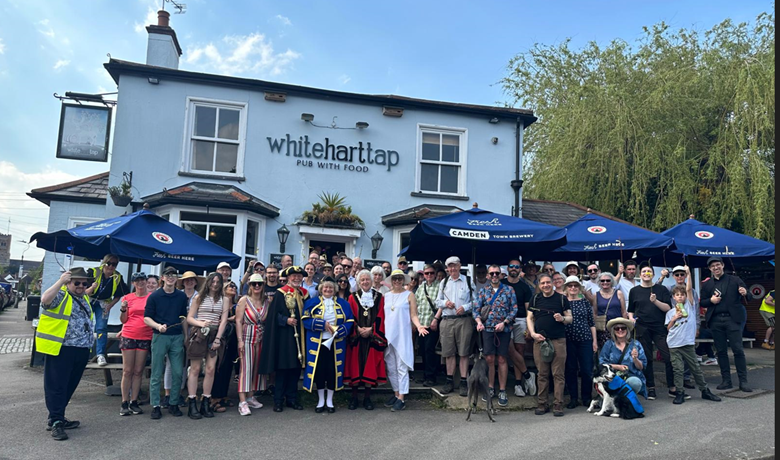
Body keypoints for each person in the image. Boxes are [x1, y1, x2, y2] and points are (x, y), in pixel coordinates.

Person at [37, 268, 95, 440]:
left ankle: (58, 417)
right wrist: (60, 281)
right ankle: (55, 421)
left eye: (84, 283)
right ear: (69, 282)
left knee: (70, 385)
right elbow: (45, 299)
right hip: (62, 348)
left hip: (81, 349)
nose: (81, 286)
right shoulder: (61, 295)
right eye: (76, 282)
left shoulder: (84, 297)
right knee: (57, 385)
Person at [665, 266, 722, 404]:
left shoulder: (690, 305)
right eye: (677, 295)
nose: (680, 297)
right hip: (674, 344)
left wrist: (689, 273)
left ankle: (705, 391)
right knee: (677, 370)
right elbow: (668, 328)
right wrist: (674, 319)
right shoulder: (670, 312)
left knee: (695, 368)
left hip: (687, 343)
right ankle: (679, 392)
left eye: (682, 295)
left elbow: (689, 289)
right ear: (673, 297)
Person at [258, 266, 310, 412]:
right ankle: (278, 400)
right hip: (284, 337)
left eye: (299, 276)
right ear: (288, 277)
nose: (297, 278)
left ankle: (292, 399)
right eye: (294, 276)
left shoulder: (304, 293)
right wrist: (286, 320)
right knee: (283, 369)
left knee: (295, 369)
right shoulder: (281, 293)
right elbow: (273, 315)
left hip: (301, 336)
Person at [700, 256, 754, 392]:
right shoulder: (707, 285)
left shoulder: (735, 280)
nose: (715, 268)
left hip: (733, 319)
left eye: (718, 265)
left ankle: (743, 381)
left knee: (738, 349)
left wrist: (745, 292)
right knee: (721, 351)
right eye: (712, 266)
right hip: (715, 320)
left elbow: (750, 296)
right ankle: (726, 380)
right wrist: (711, 301)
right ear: (709, 269)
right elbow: (702, 302)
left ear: (722, 265)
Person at [301, 277, 355, 413]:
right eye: (325, 287)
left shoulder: (343, 303)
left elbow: (349, 321)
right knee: (319, 370)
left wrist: (339, 330)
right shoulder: (311, 302)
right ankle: (320, 400)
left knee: (332, 371)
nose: (328, 290)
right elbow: (305, 320)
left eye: (331, 287)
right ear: (321, 289)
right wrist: (322, 324)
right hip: (317, 344)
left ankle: (330, 401)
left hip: (336, 343)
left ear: (335, 289)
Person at [144, 266, 188, 420]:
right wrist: (157, 326)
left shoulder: (181, 297)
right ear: (162, 277)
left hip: (176, 336)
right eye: (168, 275)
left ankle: (173, 402)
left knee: (177, 372)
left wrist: (186, 336)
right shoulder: (154, 296)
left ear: (177, 278)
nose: (171, 277)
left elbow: (183, 317)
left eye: (174, 275)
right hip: (160, 336)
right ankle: (155, 405)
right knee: (156, 372)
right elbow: (146, 317)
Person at [185, 272, 229, 419]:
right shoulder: (199, 297)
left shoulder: (225, 299)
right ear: (208, 282)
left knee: (210, 369)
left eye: (218, 282)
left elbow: (223, 321)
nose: (215, 284)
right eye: (213, 281)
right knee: (195, 368)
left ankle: (206, 401)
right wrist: (200, 323)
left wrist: (218, 339)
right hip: (200, 333)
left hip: (214, 333)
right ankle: (192, 402)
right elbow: (190, 318)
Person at [473, 264, 518, 407]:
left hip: (503, 329)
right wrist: (479, 322)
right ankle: (491, 387)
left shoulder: (509, 290)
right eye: (491, 274)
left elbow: (514, 309)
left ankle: (503, 390)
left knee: (502, 359)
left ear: (501, 275)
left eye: (496, 273)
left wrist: (504, 322)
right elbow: (476, 310)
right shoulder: (483, 291)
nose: (494, 276)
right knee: (489, 358)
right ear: (487, 276)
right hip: (487, 329)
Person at [627, 263, 673, 400]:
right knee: (646, 358)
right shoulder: (634, 291)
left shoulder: (661, 289)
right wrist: (631, 319)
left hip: (659, 327)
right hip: (642, 327)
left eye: (649, 271)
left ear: (653, 274)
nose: (646, 273)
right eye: (644, 271)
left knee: (668, 356)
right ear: (639, 274)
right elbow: (630, 310)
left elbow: (667, 308)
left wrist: (655, 301)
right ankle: (651, 387)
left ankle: (673, 387)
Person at [527, 274, 572, 416]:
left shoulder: (561, 298)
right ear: (539, 285)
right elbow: (529, 317)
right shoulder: (535, 299)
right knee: (542, 374)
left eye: (548, 282)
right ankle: (542, 403)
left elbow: (570, 318)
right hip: (540, 340)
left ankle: (558, 404)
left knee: (558, 374)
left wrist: (562, 318)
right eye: (543, 283)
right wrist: (533, 333)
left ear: (552, 283)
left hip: (558, 340)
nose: (546, 285)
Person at [384, 270, 428, 411]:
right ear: (391, 280)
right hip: (388, 335)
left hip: (402, 334)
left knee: (401, 366)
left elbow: (413, 315)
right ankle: (396, 394)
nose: (397, 281)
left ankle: (402, 398)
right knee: (391, 367)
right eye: (395, 278)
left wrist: (419, 326)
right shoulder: (386, 296)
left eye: (400, 278)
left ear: (404, 280)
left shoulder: (409, 295)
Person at [434, 256, 477, 397]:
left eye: (455, 266)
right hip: (447, 320)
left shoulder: (468, 281)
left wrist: (465, 307)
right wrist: (445, 304)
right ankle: (449, 381)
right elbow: (437, 301)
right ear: (447, 268)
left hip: (464, 320)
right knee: (448, 352)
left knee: (464, 352)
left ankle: (464, 381)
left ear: (459, 266)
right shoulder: (444, 282)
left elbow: (476, 302)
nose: (452, 269)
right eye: (450, 266)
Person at [346, 270, 388, 409]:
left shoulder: (380, 297)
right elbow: (349, 316)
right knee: (355, 367)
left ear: (371, 281)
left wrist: (372, 330)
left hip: (372, 338)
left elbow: (381, 315)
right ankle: (354, 398)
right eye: (362, 280)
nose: (365, 282)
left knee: (370, 367)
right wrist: (357, 329)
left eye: (367, 279)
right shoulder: (352, 297)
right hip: (356, 338)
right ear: (358, 282)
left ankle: (367, 398)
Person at [163, 271, 199, 408]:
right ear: (183, 282)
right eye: (186, 280)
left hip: (195, 333)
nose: (189, 282)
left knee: (185, 365)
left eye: (192, 280)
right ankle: (167, 394)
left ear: (195, 282)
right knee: (171, 363)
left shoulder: (199, 296)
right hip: (177, 332)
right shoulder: (177, 295)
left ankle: (178, 393)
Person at [118, 272, 152, 416]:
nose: (140, 283)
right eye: (137, 281)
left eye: (142, 280)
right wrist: (123, 309)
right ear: (133, 283)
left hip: (145, 335)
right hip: (129, 334)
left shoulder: (151, 297)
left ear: (146, 281)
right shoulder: (127, 298)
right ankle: (124, 402)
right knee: (127, 370)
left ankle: (134, 401)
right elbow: (123, 320)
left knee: (138, 371)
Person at [235, 274, 269, 415]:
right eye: (254, 283)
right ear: (249, 285)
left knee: (256, 368)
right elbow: (238, 320)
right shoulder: (244, 300)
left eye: (259, 284)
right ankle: (242, 401)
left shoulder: (266, 301)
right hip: (247, 335)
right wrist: (240, 341)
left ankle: (250, 396)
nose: (256, 286)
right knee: (246, 368)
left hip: (261, 337)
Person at [86, 254, 129, 367]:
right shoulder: (93, 272)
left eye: (114, 264)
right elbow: (82, 292)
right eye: (109, 263)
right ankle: (84, 351)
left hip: (104, 303)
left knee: (101, 328)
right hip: (89, 300)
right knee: (85, 325)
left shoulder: (117, 277)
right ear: (104, 263)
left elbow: (120, 294)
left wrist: (110, 305)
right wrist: (92, 288)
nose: (111, 267)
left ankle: (100, 354)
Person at [503, 259, 536, 397]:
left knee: (519, 350)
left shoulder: (524, 287)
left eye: (517, 267)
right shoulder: (502, 284)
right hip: (504, 321)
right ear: (508, 268)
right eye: (512, 266)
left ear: (520, 269)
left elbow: (529, 309)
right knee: (509, 348)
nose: (514, 268)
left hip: (521, 319)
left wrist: (530, 328)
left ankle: (518, 384)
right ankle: (528, 375)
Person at [562, 276, 597, 409]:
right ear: (566, 287)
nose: (573, 288)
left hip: (585, 339)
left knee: (587, 369)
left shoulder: (585, 302)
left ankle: (586, 397)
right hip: (568, 339)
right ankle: (573, 398)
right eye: (570, 286)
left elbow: (591, 323)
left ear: (579, 288)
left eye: (575, 286)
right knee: (570, 369)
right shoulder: (563, 302)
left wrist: (594, 341)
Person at [599, 318, 647, 397]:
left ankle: (628, 399)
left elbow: (641, 367)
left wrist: (635, 359)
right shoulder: (608, 344)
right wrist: (617, 367)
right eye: (617, 328)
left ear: (627, 330)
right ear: (613, 331)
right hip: (613, 377)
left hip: (631, 376)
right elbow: (601, 363)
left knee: (635, 382)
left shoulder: (636, 344)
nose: (620, 330)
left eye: (623, 328)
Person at [211, 279, 239, 413]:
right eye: (230, 286)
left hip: (233, 338)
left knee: (228, 368)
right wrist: (230, 319)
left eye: (234, 286)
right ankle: (213, 397)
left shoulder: (237, 304)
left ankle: (223, 395)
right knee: (218, 367)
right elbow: (217, 319)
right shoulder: (220, 302)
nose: (233, 288)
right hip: (221, 338)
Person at [414, 264, 441, 387]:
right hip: (421, 324)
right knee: (423, 351)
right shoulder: (421, 287)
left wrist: (436, 320)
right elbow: (416, 304)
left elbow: (441, 305)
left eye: (431, 273)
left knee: (430, 350)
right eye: (426, 273)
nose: (429, 275)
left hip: (432, 323)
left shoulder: (440, 286)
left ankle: (431, 376)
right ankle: (425, 375)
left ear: (435, 274)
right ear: (423, 275)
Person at [594, 272, 626, 348]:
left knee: (619, 348)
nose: (605, 282)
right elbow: (595, 313)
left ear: (612, 282)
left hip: (617, 327)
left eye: (608, 280)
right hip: (603, 329)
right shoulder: (596, 295)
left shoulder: (619, 293)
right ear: (599, 282)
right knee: (605, 350)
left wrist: (625, 326)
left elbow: (624, 311)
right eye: (602, 281)